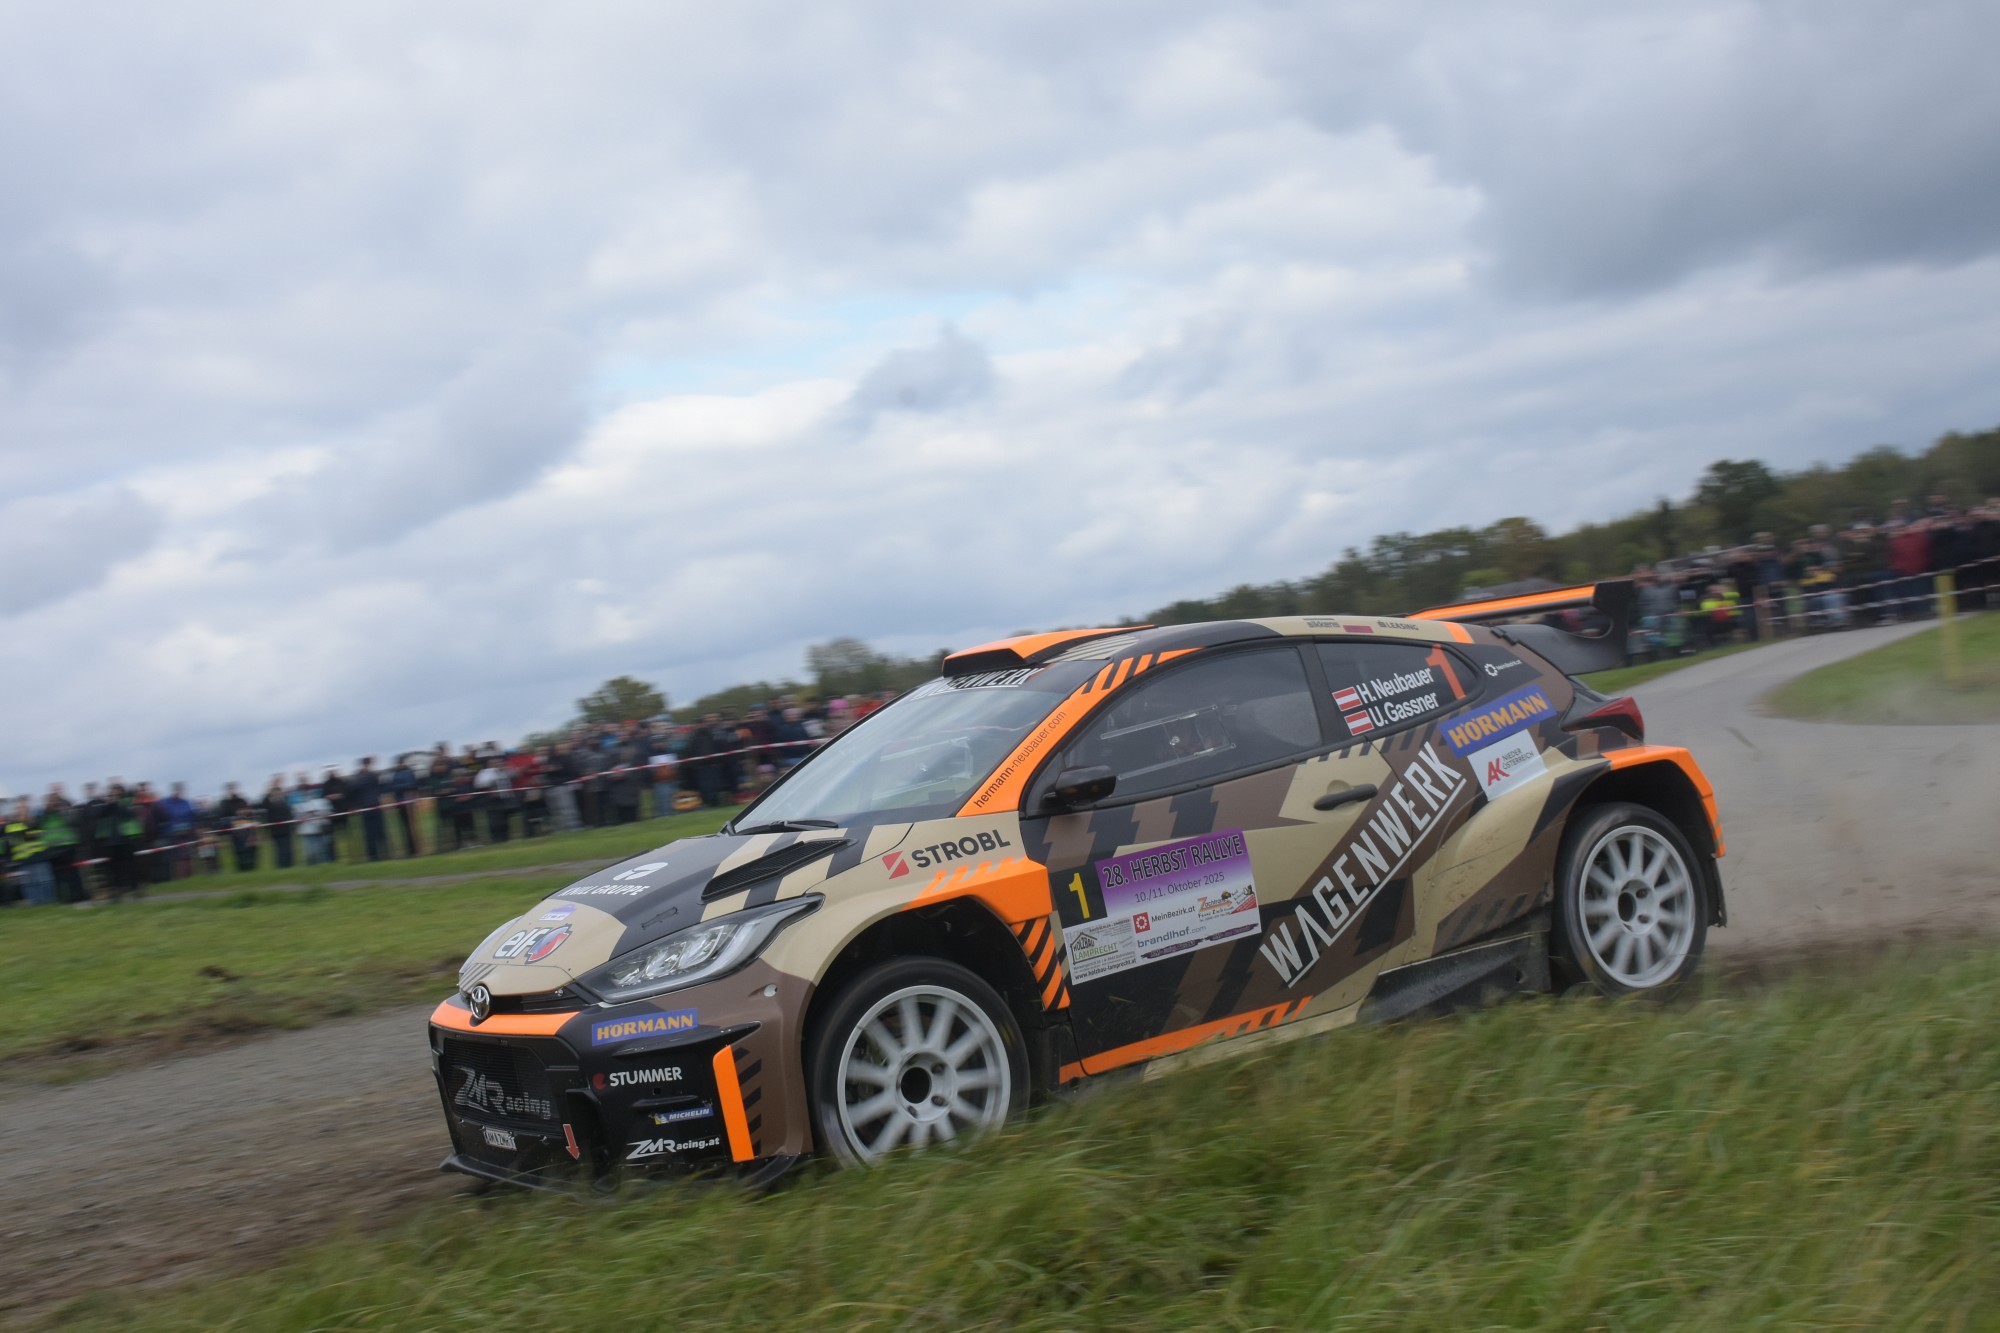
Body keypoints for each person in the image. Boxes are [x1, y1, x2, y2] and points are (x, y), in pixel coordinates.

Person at [216, 782, 259, 873]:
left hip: (247, 830)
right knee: (239, 852)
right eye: (230, 789)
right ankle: (242, 870)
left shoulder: (243, 800)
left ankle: (252, 870)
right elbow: (222, 817)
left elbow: (251, 813)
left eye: (234, 788)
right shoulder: (225, 803)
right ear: (228, 791)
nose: (232, 790)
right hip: (235, 832)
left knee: (250, 850)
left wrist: (245, 812)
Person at [350, 757, 386, 862]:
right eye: (367, 764)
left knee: (380, 831)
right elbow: (353, 789)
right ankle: (373, 856)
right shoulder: (359, 777)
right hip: (366, 807)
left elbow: (381, 784)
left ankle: (383, 853)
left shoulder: (371, 775)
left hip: (375, 805)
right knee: (370, 833)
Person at [473, 756, 513, 843]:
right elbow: (479, 784)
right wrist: (492, 776)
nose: (496, 764)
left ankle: (505, 837)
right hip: (492, 799)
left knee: (505, 819)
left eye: (498, 762)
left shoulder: (504, 771)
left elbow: (513, 775)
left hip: (505, 798)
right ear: (488, 764)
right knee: (494, 820)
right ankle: (496, 838)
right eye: (494, 763)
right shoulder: (484, 773)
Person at [260, 775, 296, 870]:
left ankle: (290, 866)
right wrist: (271, 787)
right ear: (271, 793)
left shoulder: (284, 801)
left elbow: (289, 813)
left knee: (288, 849)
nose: (277, 794)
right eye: (275, 792)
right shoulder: (268, 803)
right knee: (279, 850)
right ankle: (281, 867)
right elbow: (263, 804)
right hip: (275, 830)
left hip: (286, 829)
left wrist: (292, 825)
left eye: (278, 792)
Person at [389, 755, 421, 856]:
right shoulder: (395, 774)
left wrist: (400, 788)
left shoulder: (408, 773)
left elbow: (412, 785)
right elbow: (393, 787)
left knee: (412, 825)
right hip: (401, 803)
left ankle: (415, 849)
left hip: (409, 802)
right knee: (406, 827)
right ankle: (410, 849)